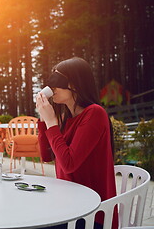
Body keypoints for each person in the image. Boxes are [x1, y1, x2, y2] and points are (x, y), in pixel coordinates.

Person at [35, 57, 117, 229]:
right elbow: (46, 155)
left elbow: (69, 164)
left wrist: (51, 123)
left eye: (58, 81)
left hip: (93, 215)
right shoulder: (66, 118)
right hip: (69, 207)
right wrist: (44, 119)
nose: (52, 87)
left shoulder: (95, 113)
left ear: (75, 83)